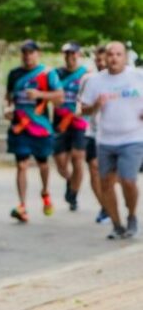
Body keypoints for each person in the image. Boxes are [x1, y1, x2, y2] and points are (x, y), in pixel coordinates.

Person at [80, 41, 143, 239]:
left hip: (133, 138)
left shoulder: (137, 76)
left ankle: (132, 216)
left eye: (118, 54)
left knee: (128, 180)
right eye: (110, 54)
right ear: (104, 58)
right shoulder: (95, 81)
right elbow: (84, 109)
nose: (114, 58)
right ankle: (117, 225)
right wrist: (96, 105)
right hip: (105, 140)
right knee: (105, 183)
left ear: (125, 57)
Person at [5, 40, 64, 223]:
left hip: (40, 127)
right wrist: (6, 109)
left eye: (31, 52)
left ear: (37, 54)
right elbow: (8, 98)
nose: (28, 56)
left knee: (43, 164)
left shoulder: (47, 74)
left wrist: (40, 95)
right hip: (19, 126)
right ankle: (22, 205)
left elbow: (59, 96)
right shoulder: (14, 74)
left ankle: (45, 192)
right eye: (24, 52)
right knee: (21, 165)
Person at [51, 42, 88, 211]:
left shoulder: (86, 75)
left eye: (73, 53)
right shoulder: (56, 74)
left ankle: (73, 193)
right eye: (66, 54)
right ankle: (70, 181)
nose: (70, 57)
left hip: (79, 122)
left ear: (78, 55)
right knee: (61, 164)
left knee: (77, 156)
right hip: (60, 122)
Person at [82, 46, 110, 224]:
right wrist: (94, 106)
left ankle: (111, 202)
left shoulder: (126, 79)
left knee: (111, 175)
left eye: (103, 60)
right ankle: (105, 207)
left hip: (114, 135)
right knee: (93, 168)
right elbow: (81, 108)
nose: (101, 64)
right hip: (93, 133)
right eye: (97, 60)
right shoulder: (89, 80)